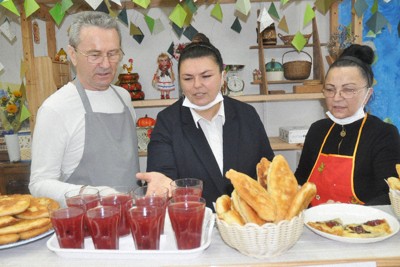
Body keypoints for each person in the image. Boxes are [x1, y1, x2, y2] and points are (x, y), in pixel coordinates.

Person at [138, 41, 275, 209]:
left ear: (222, 76)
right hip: (195, 225)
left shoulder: (247, 115)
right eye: (188, 78)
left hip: (247, 226)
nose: (197, 85)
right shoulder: (168, 121)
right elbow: (162, 173)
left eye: (206, 76)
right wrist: (162, 182)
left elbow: (268, 169)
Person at [29, 11, 140, 206]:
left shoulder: (123, 97)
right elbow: (39, 184)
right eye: (94, 55)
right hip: (85, 228)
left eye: (113, 53)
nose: (106, 64)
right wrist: (89, 194)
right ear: (73, 54)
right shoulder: (55, 108)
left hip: (131, 219)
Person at [295, 44, 400, 206]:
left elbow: (389, 196)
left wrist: (346, 214)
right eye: (330, 89)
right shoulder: (317, 130)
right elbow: (300, 180)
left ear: (368, 94)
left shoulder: (384, 134)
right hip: (313, 223)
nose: (337, 97)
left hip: (362, 226)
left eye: (348, 90)